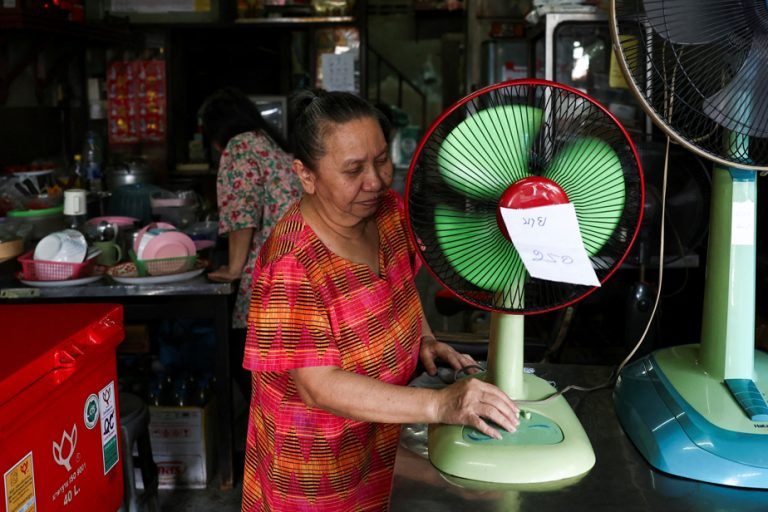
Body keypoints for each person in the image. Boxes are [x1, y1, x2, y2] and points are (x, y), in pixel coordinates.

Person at [241, 89, 519, 511]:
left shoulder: (388, 212)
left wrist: (422, 339)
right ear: (306, 175)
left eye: (381, 160)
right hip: (315, 483)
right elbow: (320, 387)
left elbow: (402, 286)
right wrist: (441, 403)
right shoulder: (292, 264)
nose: (375, 181)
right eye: (353, 169)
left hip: (380, 460)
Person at [200, 87, 301, 395]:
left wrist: (232, 268)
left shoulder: (241, 146)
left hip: (268, 280)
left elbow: (242, 214)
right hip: (295, 273)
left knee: (251, 372)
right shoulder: (270, 144)